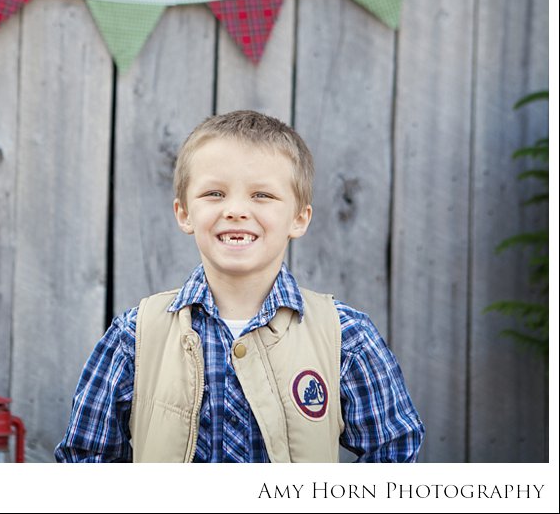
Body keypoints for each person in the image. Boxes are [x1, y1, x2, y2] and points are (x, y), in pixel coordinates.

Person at [55, 110, 424, 462]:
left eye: (261, 195)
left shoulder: (346, 336)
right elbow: (86, 457)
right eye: (214, 194)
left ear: (299, 218)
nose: (235, 209)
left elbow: (395, 449)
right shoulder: (134, 336)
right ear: (184, 213)